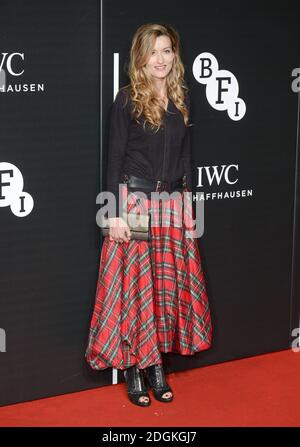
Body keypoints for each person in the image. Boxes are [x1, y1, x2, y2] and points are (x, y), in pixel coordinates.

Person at [85, 23, 213, 407]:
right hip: (135, 202)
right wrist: (115, 213)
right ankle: (136, 371)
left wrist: (188, 198)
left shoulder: (180, 97)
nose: (161, 59)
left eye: (167, 51)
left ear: (175, 56)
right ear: (140, 57)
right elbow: (114, 159)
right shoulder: (127, 100)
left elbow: (187, 156)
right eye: (153, 52)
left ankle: (157, 365)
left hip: (171, 203)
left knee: (164, 288)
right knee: (137, 291)